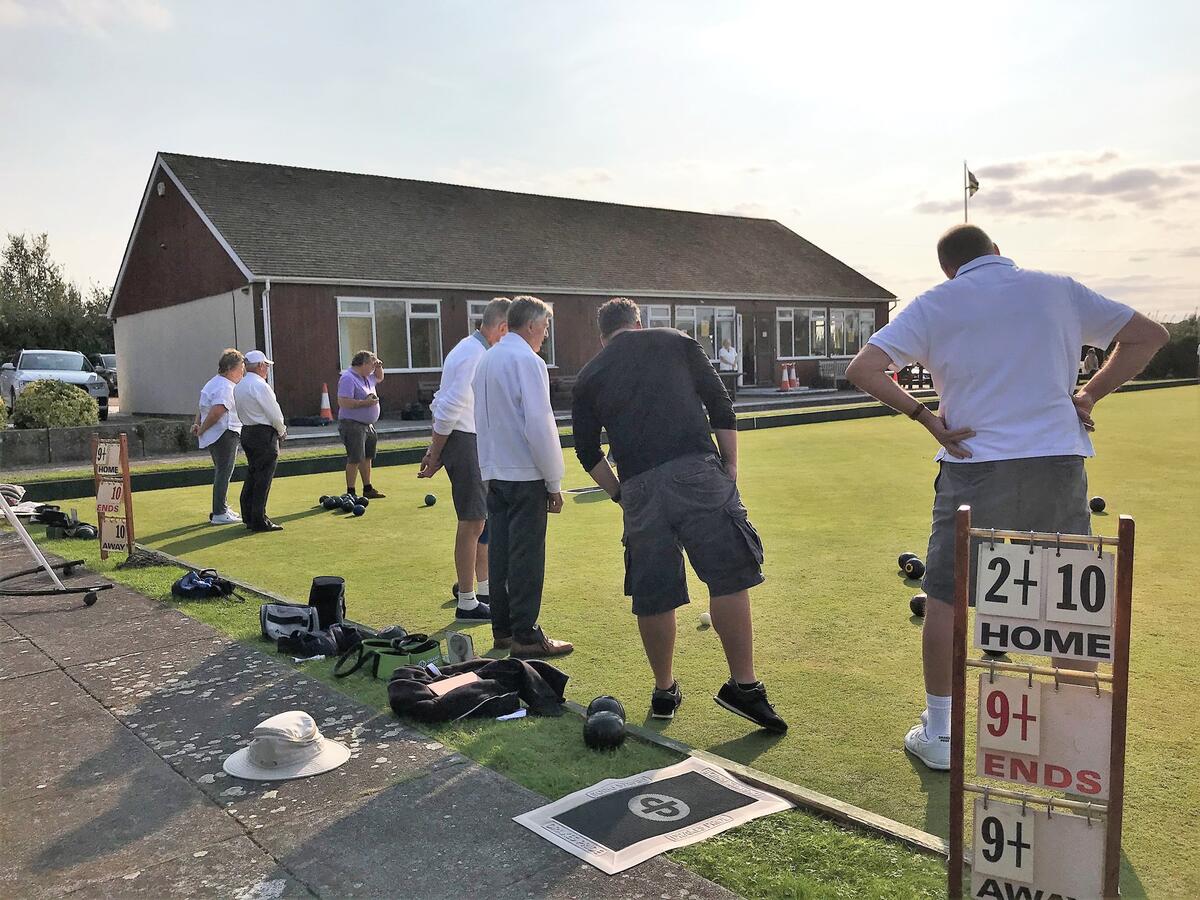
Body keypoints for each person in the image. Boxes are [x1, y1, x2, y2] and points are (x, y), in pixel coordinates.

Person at [846, 224, 1168, 771]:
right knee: (1067, 594)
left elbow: (864, 369)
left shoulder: (935, 302)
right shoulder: (1057, 288)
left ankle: (942, 734)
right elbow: (1149, 336)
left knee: (946, 595)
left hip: (973, 466)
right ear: (997, 252)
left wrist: (927, 417)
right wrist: (1089, 394)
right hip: (1057, 461)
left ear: (949, 268)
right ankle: (1070, 734)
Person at [571, 298, 787, 732]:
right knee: (729, 576)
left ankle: (664, 689)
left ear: (602, 336)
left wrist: (619, 494)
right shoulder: (676, 341)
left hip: (638, 488)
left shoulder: (589, 375)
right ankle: (743, 687)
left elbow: (586, 452)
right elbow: (721, 405)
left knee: (654, 592)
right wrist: (729, 469)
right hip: (697, 472)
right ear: (637, 323)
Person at [472, 296, 572, 658]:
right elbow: (540, 425)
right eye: (544, 327)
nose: (545, 335)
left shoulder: (487, 359)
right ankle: (526, 636)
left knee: (499, 554)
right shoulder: (528, 361)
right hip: (525, 473)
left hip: (495, 471)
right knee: (527, 557)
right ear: (531, 325)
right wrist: (554, 481)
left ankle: (503, 630)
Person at [419, 297, 511, 623]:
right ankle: (467, 601)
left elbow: (444, 402)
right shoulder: (473, 354)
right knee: (472, 521)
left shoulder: (475, 350)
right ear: (501, 328)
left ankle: (483, 590)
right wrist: (436, 450)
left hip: (473, 439)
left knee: (481, 520)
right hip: (465, 440)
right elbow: (447, 406)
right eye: (510, 332)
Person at [233, 350, 288, 532]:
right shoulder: (260, 386)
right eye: (266, 365)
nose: (267, 369)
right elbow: (274, 413)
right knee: (263, 478)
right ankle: (259, 519)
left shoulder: (239, 385)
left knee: (253, 474)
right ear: (260, 366)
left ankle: (248, 515)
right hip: (263, 434)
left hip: (247, 431)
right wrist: (281, 430)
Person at [191, 349, 245, 525]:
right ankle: (220, 512)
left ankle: (221, 507)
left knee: (222, 471)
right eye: (240, 367)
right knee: (224, 472)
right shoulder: (225, 386)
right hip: (225, 433)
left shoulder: (213, 383)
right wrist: (201, 429)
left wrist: (198, 425)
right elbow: (217, 412)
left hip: (217, 434)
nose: (242, 371)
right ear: (229, 368)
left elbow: (201, 408)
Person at [337, 350, 387, 499]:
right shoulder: (348, 378)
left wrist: (378, 367)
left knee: (367, 457)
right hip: (352, 424)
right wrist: (365, 403)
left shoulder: (367, 377)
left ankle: (368, 488)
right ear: (363, 364)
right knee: (355, 458)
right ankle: (351, 492)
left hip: (367, 425)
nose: (373, 368)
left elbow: (379, 377)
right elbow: (343, 402)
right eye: (372, 365)